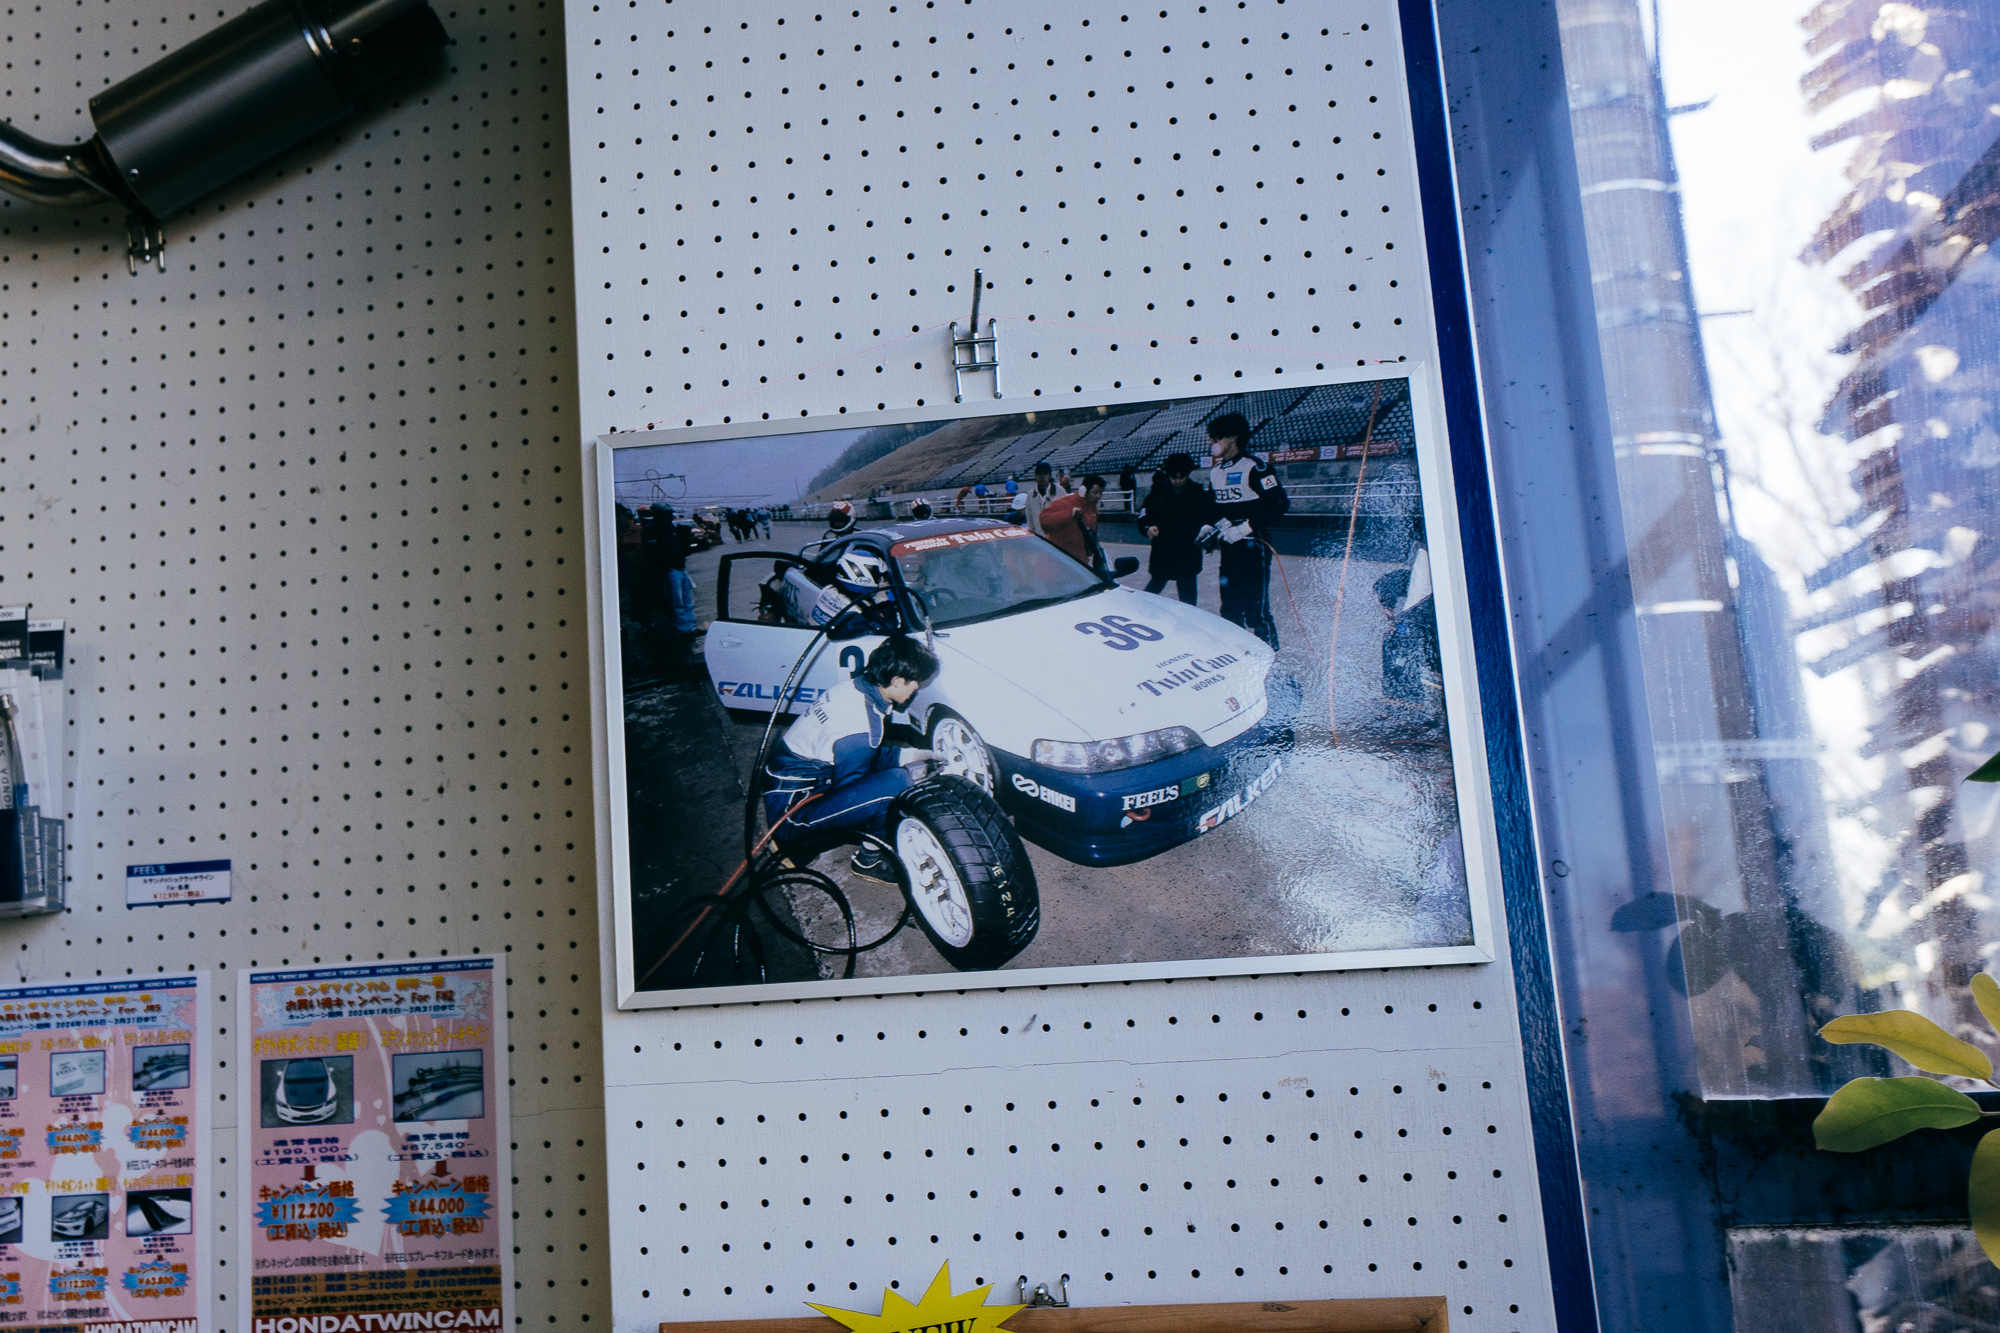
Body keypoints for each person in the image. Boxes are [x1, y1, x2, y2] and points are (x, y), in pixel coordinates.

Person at [761, 635, 941, 882]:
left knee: (887, 781)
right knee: (897, 785)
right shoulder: (861, 725)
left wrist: (912, 754)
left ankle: (798, 842)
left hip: (789, 787)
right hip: (790, 815)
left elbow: (864, 753)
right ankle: (868, 861)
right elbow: (853, 791)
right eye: (916, 682)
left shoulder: (853, 689)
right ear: (897, 681)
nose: (917, 689)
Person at [1203, 411, 1288, 649]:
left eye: (1215, 438)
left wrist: (1243, 529)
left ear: (1232, 438)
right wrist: (1215, 527)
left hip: (1254, 544)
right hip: (1229, 546)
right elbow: (1210, 507)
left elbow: (1279, 504)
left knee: (1256, 609)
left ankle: (1272, 655)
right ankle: (1237, 652)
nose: (1210, 443)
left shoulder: (1256, 467)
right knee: (1229, 607)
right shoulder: (1216, 472)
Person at [1140, 453, 1213, 606]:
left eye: (1182, 477)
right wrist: (1148, 527)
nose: (1178, 481)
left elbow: (1208, 518)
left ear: (1188, 474)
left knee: (1188, 598)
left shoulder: (1198, 492)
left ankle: (1190, 618)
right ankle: (1141, 610)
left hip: (1188, 552)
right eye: (1174, 477)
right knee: (1153, 589)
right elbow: (1144, 515)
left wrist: (1209, 540)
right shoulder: (1157, 491)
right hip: (1163, 549)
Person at [1039, 473, 1105, 570]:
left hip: (1078, 561)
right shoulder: (1067, 502)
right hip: (1057, 562)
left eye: (1100, 493)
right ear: (1083, 491)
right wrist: (1069, 514)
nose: (1099, 496)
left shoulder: (1093, 510)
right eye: (1095, 493)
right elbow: (1044, 518)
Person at [1024, 461, 1063, 536]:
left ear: (1049, 476)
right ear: (1035, 476)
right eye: (1039, 474)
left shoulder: (1060, 492)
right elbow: (1030, 521)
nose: (1042, 477)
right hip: (1039, 539)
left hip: (1057, 538)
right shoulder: (1030, 495)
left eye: (1045, 474)